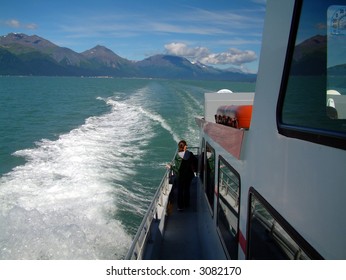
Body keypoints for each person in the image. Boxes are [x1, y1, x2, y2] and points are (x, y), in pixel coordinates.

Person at [167, 140, 197, 210]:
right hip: (189, 175)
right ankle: (186, 204)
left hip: (181, 176)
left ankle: (180, 206)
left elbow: (177, 169)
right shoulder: (190, 154)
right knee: (187, 189)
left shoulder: (178, 156)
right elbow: (195, 161)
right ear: (185, 146)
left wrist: (170, 167)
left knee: (180, 190)